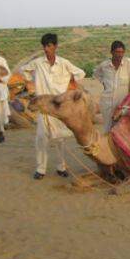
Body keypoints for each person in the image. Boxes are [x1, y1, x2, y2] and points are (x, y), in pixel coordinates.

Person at [21, 33, 85, 180]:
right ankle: (40, 169)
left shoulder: (64, 63)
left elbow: (81, 73)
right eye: (44, 46)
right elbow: (23, 70)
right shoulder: (38, 63)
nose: (46, 49)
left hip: (59, 106)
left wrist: (70, 83)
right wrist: (30, 81)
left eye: (49, 46)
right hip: (43, 105)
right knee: (41, 137)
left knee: (59, 138)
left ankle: (61, 167)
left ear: (55, 46)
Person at [93, 41, 130, 132]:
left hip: (123, 104)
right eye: (117, 52)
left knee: (122, 129)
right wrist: (104, 83)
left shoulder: (128, 63)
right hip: (108, 103)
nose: (120, 55)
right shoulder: (104, 65)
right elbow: (96, 73)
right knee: (108, 129)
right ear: (111, 52)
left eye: (122, 52)